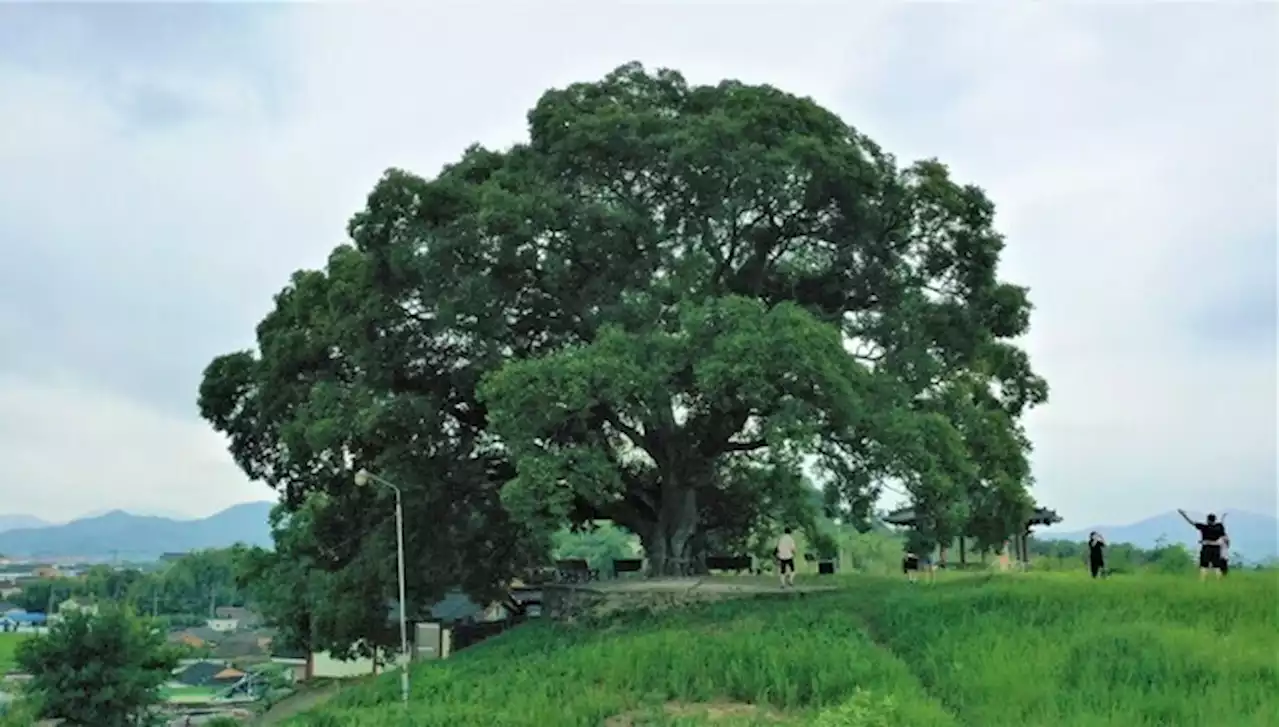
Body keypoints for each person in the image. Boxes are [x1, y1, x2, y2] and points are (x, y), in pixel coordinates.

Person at [1177, 509, 1227, 580]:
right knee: (1217, 567)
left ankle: (1202, 582)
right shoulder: (1219, 527)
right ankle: (1219, 582)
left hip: (1206, 548)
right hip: (1216, 548)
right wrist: (1223, 517)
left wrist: (1183, 515)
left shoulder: (1204, 527)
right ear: (1215, 520)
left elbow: (1191, 522)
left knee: (1204, 566)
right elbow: (1222, 527)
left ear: (1208, 520)